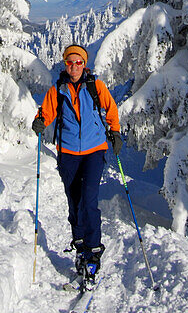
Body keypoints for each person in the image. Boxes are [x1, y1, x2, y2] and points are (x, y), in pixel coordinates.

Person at [32, 43, 121, 282]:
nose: (74, 67)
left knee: (89, 200)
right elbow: (46, 112)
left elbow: (110, 109)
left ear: (85, 64)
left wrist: (116, 131)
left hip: (94, 150)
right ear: (65, 64)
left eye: (78, 62)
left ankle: (93, 250)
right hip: (69, 152)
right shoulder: (58, 90)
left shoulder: (95, 86)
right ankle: (80, 245)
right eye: (70, 62)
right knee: (74, 201)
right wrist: (39, 121)